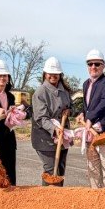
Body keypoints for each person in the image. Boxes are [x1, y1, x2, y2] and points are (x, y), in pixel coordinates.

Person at [77, 49, 105, 188]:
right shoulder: (86, 84)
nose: (93, 67)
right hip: (92, 137)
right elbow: (88, 105)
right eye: (90, 64)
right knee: (93, 174)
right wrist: (83, 114)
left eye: (97, 64)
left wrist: (90, 118)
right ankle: (96, 200)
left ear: (103, 65)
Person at [32, 57, 73, 186]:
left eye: (56, 73)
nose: (53, 76)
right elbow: (41, 118)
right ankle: (49, 196)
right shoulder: (40, 92)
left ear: (60, 74)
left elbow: (72, 107)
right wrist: (54, 128)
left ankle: (58, 196)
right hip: (45, 138)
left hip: (62, 136)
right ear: (45, 74)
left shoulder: (65, 91)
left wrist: (69, 111)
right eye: (50, 73)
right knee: (51, 170)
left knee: (60, 169)